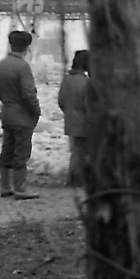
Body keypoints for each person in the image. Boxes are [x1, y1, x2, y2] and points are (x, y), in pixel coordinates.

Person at [0, 30, 41, 200]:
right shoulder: (23, 67)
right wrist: (36, 111)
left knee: (7, 150)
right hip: (22, 115)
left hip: (7, 113)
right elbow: (28, 94)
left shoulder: (2, 64)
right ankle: (20, 188)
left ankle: (5, 187)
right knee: (22, 152)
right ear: (26, 47)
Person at [58, 50, 90, 187]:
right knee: (82, 152)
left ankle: (73, 178)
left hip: (70, 119)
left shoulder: (67, 79)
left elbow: (61, 101)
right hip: (84, 121)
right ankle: (78, 179)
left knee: (76, 151)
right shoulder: (86, 82)